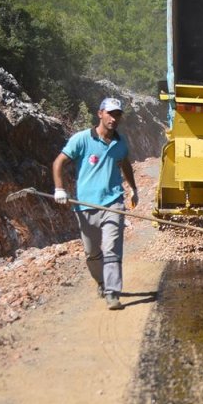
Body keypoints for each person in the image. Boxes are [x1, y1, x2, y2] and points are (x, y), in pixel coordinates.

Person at [52, 97, 138, 310]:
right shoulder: (82, 139)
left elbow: (125, 163)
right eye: (110, 113)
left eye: (117, 114)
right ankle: (101, 281)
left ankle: (112, 293)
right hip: (85, 205)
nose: (114, 118)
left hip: (113, 203)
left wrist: (134, 189)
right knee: (92, 253)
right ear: (100, 113)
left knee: (112, 248)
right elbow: (59, 162)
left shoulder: (120, 143)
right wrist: (60, 189)